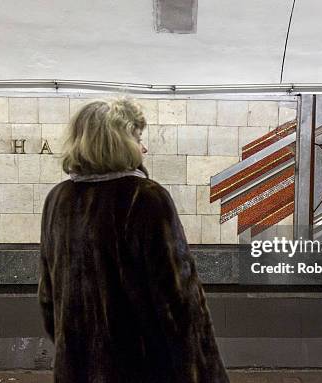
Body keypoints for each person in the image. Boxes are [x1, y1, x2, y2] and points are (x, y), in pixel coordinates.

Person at [37, 97, 230, 383]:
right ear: (117, 142)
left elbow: (48, 297)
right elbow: (178, 304)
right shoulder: (146, 198)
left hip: (77, 369)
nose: (145, 147)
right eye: (137, 137)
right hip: (140, 368)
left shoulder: (57, 200)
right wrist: (206, 372)